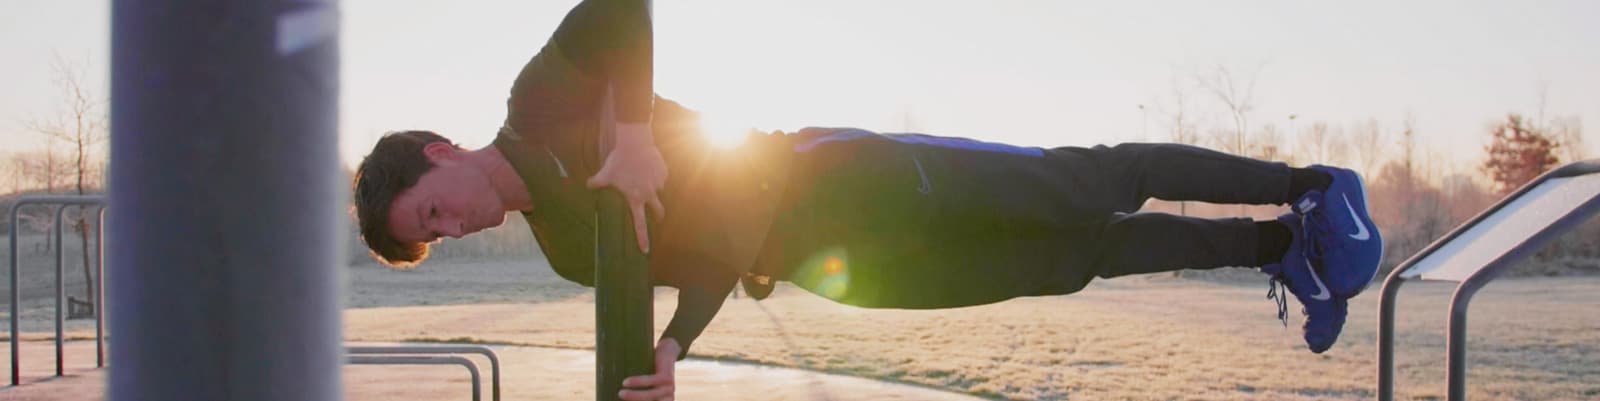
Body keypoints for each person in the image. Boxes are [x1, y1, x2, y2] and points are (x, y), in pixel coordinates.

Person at [350, 1, 1384, 400]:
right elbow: (712, 255)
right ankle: (1276, 247)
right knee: (1075, 254)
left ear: (439, 152)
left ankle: (1311, 185)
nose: (456, 225)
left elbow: (621, 4)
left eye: (432, 209)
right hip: (840, 266)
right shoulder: (573, 255)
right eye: (433, 240)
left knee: (1088, 178)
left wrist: (627, 136)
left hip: (847, 175)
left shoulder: (538, 101)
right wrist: (676, 343)